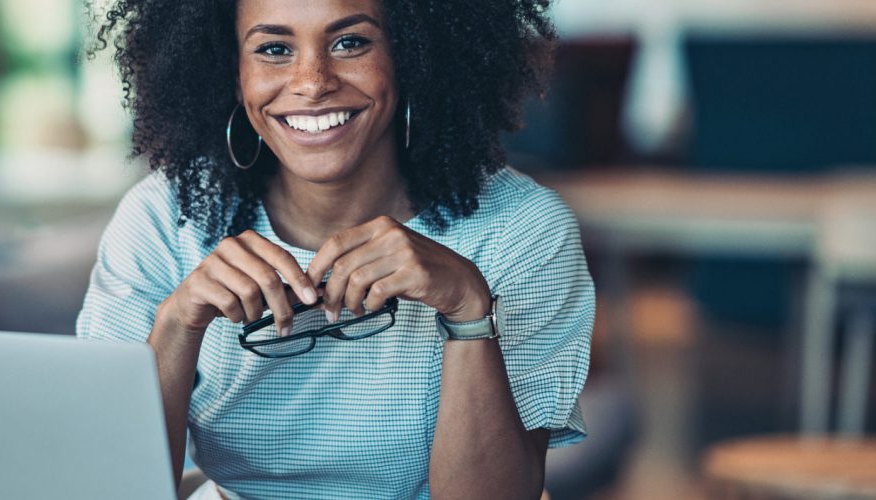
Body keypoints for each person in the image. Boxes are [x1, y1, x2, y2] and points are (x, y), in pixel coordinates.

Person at [76, 0, 593, 498]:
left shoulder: (523, 231)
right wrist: (177, 323)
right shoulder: (165, 220)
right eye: (274, 49)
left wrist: (467, 309)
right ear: (231, 72)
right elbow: (104, 484)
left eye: (350, 42)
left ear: (409, 55)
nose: (312, 82)